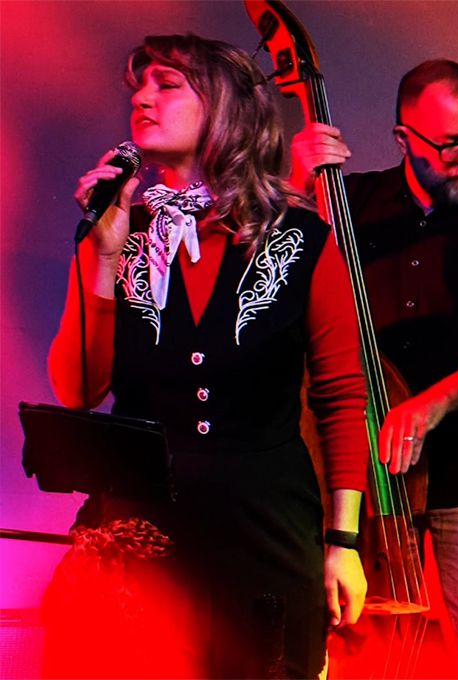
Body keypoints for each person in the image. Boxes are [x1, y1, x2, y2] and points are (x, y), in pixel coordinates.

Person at [46, 33, 369, 679]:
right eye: (139, 86)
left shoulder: (301, 236)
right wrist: (103, 255)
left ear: (223, 107)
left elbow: (341, 395)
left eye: (167, 85)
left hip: (265, 526)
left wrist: (343, 542)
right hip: (144, 534)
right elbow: (79, 390)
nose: (142, 98)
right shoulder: (120, 232)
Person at [290, 59, 458, 678]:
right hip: (372, 481)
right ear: (404, 138)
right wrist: (299, 187)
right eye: (451, 144)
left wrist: (429, 405)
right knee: (359, 651)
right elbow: (279, 282)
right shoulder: (350, 205)